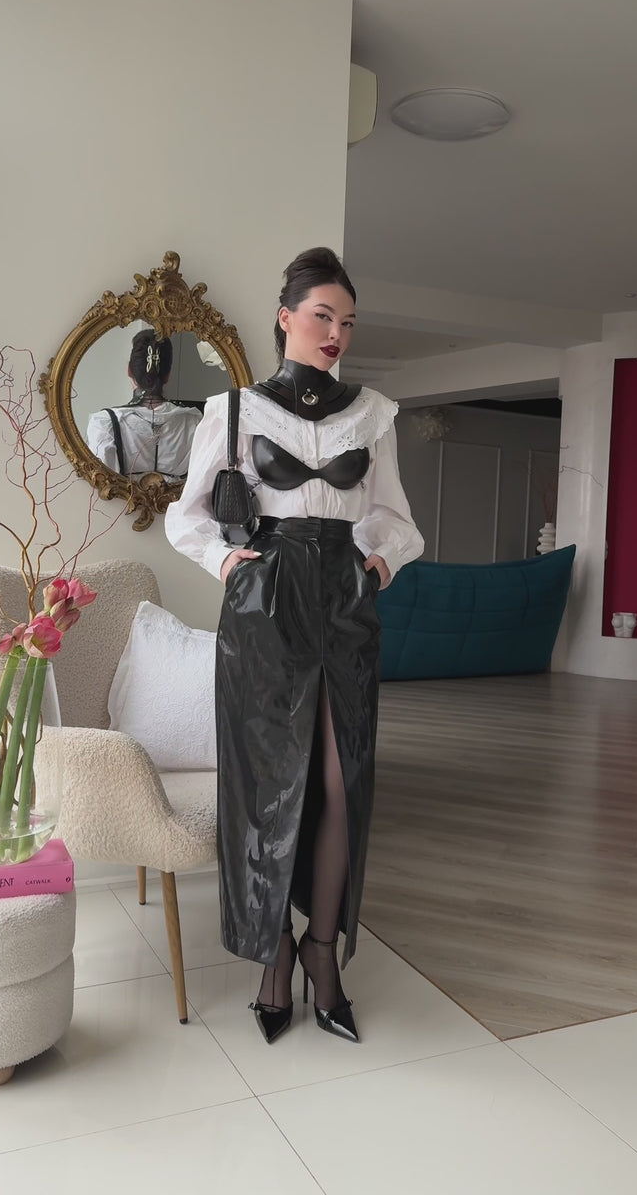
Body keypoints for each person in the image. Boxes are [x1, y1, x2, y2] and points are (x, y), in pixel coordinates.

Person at [165, 248, 424, 1044]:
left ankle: (321, 950)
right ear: (286, 318)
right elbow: (187, 517)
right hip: (265, 601)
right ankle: (273, 952)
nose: (336, 331)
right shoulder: (234, 410)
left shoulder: (372, 414)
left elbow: (395, 518)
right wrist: (226, 562)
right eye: (322, 316)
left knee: (343, 783)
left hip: (343, 601)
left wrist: (378, 561)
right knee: (269, 783)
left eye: (348, 321)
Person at [86, 329, 202, 481]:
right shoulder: (195, 421)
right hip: (181, 497)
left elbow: (101, 483)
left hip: (123, 497)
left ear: (129, 370)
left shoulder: (104, 423)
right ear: (168, 375)